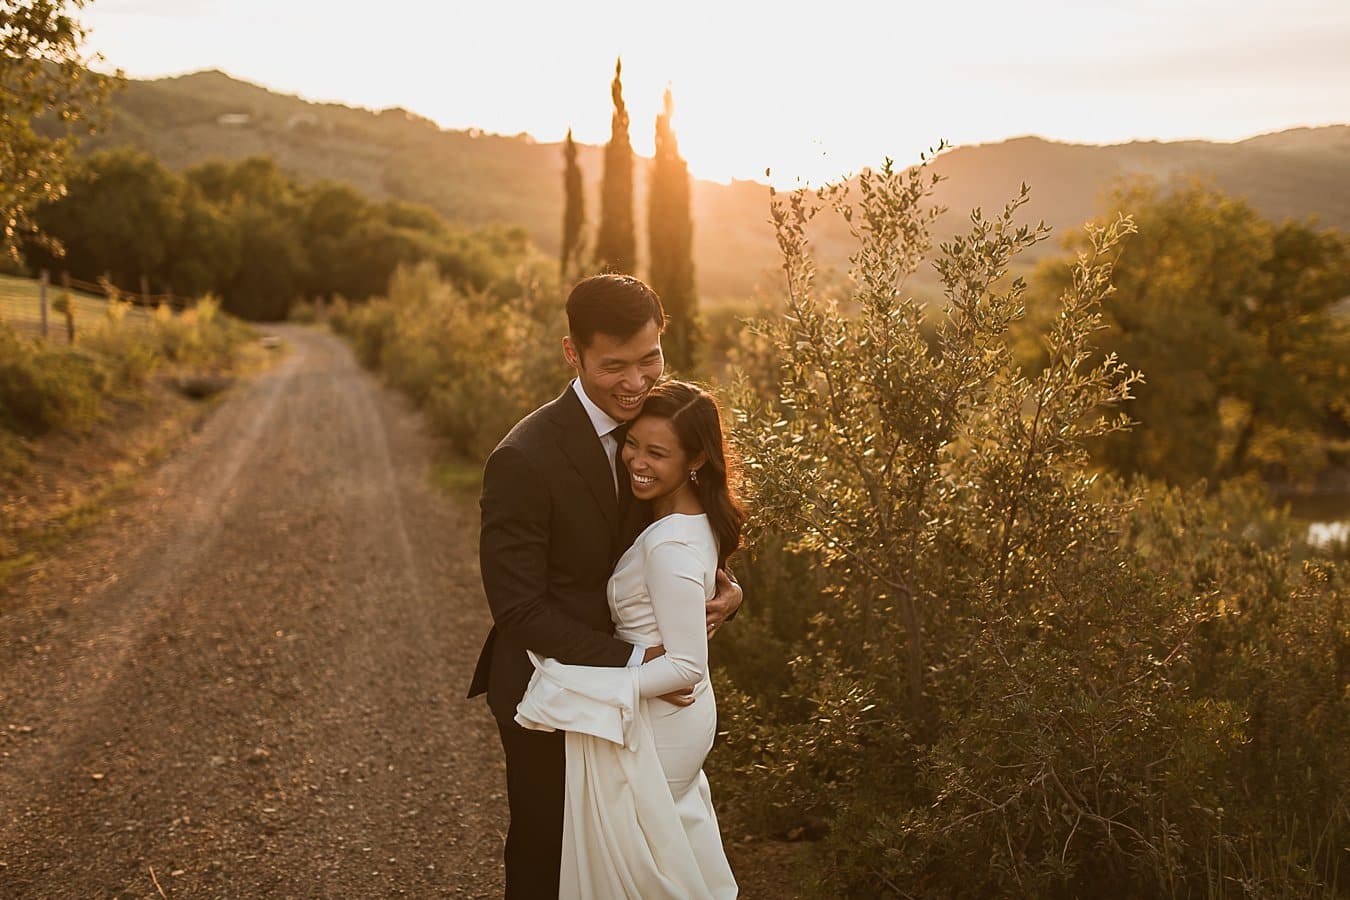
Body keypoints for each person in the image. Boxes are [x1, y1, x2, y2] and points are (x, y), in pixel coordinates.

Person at [468, 274, 743, 898]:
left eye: (651, 360)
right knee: (549, 849)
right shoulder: (523, 458)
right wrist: (637, 660)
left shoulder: (655, 423)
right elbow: (519, 609)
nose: (636, 381)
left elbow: (681, 530)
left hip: (634, 693)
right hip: (550, 679)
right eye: (613, 366)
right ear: (574, 355)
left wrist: (730, 589)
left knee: (625, 850)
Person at [516, 380, 742, 898]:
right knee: (660, 853)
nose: (636, 460)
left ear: (696, 460)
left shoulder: (670, 548)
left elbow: (686, 667)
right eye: (632, 443)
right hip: (666, 712)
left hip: (659, 718)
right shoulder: (681, 517)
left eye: (657, 452)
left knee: (636, 872)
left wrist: (582, 688)